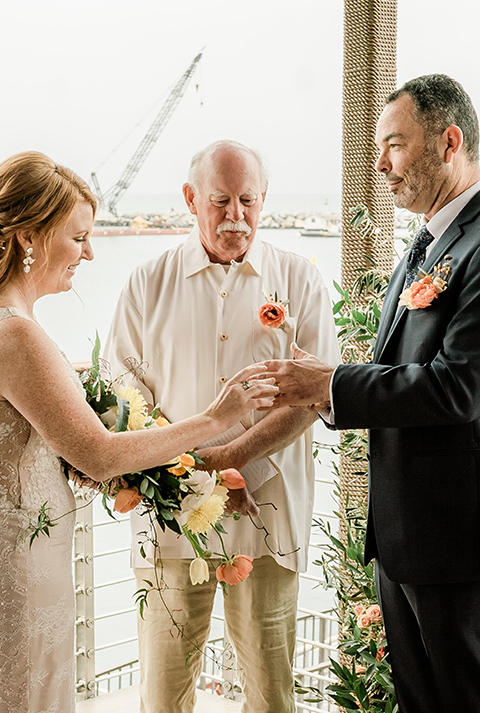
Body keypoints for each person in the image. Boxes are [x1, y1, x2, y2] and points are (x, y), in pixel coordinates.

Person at [0, 150, 278, 713]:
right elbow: (100, 456)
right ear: (30, 237)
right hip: (25, 566)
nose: (89, 252)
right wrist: (215, 418)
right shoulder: (19, 336)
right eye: (77, 237)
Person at [263, 74, 480, 713]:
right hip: (405, 538)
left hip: (457, 543)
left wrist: (330, 383)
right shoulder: (426, 243)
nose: (380, 165)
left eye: (394, 145)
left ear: (449, 142)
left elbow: (458, 389)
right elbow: (404, 368)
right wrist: (320, 385)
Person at [104, 139, 340, 713]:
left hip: (269, 518)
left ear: (265, 200)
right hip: (169, 522)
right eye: (220, 201)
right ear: (189, 199)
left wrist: (232, 461)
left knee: (270, 694)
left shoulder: (301, 282)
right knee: (163, 692)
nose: (237, 216)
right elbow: (122, 395)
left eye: (248, 201)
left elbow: (314, 396)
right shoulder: (144, 284)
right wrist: (190, 477)